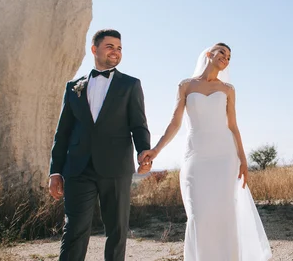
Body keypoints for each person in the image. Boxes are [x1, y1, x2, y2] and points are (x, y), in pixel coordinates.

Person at [139, 43, 272, 261]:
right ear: (209, 54)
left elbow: (233, 126)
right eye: (222, 53)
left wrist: (243, 161)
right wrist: (156, 150)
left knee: (225, 214)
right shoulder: (185, 85)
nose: (226, 58)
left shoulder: (228, 89)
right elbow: (175, 123)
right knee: (198, 215)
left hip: (225, 157)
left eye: (229, 57)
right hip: (196, 156)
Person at [48, 29, 152, 261]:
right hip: (77, 169)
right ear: (94, 49)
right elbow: (62, 133)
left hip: (116, 168)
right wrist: (55, 171)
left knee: (116, 231)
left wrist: (143, 151)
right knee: (74, 229)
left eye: (119, 48)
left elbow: (139, 124)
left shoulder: (130, 85)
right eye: (110, 46)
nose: (116, 52)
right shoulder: (73, 87)